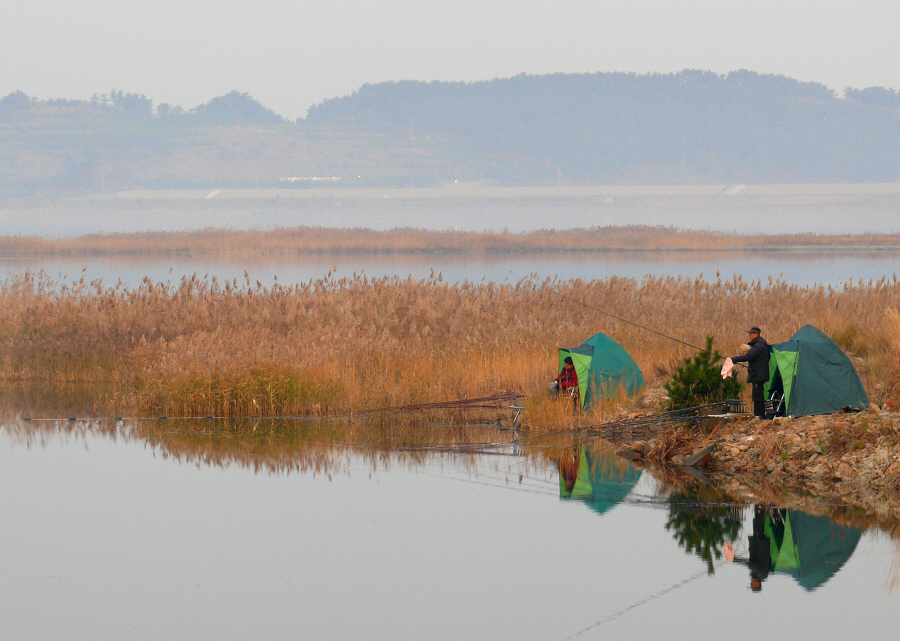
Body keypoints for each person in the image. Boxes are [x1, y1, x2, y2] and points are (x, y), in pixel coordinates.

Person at [729, 326, 770, 419]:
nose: (749, 336)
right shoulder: (760, 345)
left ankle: (759, 415)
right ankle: (759, 414)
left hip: (758, 375)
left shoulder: (758, 346)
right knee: (758, 395)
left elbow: (747, 356)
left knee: (757, 396)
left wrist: (733, 359)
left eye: (751, 334)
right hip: (759, 374)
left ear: (756, 334)